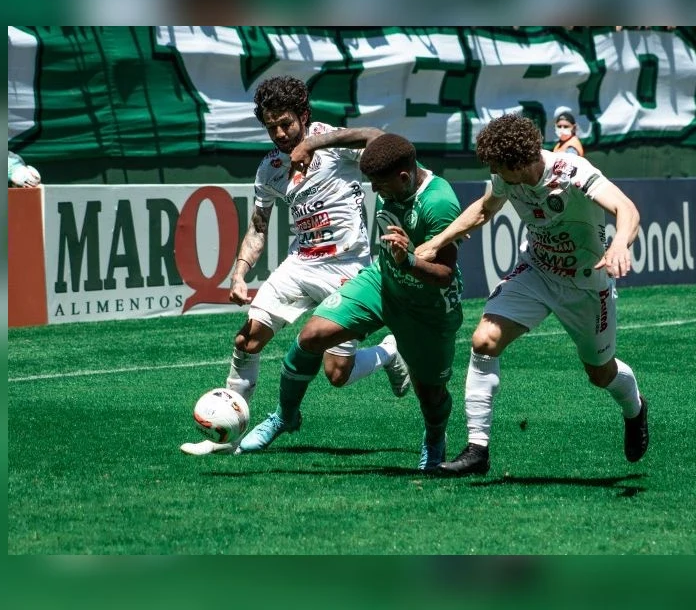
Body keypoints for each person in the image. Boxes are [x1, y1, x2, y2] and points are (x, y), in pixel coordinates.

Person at [181, 76, 411, 456]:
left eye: (286, 123)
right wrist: (238, 273)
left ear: (303, 115)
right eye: (271, 126)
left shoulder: (333, 142)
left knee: (337, 374)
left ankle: (389, 352)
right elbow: (258, 228)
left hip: (348, 267)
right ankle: (229, 435)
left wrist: (313, 142)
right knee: (247, 339)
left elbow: (381, 141)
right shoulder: (270, 167)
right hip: (300, 264)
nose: (280, 133)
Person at [415, 113, 649, 475]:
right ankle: (478, 449)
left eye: (497, 166)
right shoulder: (505, 176)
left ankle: (635, 409)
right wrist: (438, 241)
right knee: (484, 341)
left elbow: (626, 208)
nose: (494, 172)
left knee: (600, 374)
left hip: (587, 284)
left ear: (519, 163)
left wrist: (619, 243)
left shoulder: (572, 171)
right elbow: (484, 208)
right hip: (537, 271)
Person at [235, 132, 464, 471]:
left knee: (430, 393)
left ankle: (434, 439)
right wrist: (312, 144)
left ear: (403, 177)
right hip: (382, 282)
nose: (374, 190)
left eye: (379, 185)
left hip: (429, 305)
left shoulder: (439, 202)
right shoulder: (398, 165)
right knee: (312, 336)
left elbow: (445, 273)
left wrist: (409, 261)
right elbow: (375, 136)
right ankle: (285, 416)